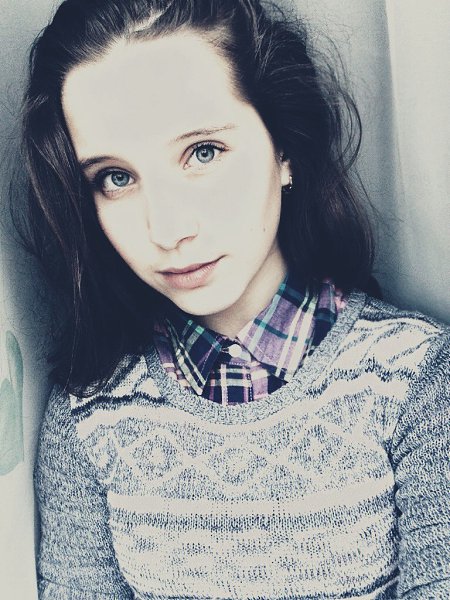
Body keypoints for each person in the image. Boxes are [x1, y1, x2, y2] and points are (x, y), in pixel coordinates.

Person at [20, 0, 449, 598]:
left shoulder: (415, 379)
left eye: (203, 152)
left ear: (284, 148)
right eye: (116, 177)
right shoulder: (90, 410)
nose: (168, 228)